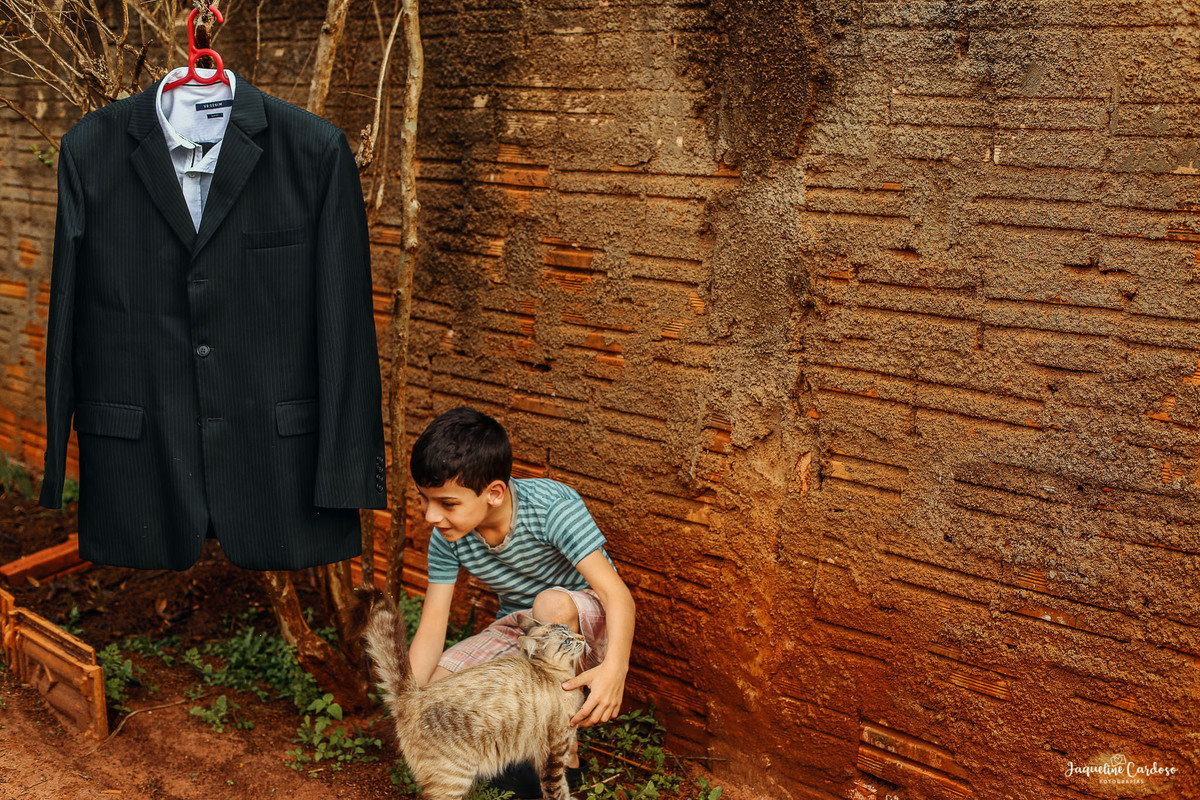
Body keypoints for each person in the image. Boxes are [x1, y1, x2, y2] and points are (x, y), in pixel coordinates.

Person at [406, 406, 636, 794]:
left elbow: (617, 596)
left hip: (586, 628)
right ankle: (513, 752)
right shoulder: (447, 537)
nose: (431, 516)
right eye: (425, 500)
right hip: (523, 629)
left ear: (494, 493)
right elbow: (432, 623)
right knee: (435, 695)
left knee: (550, 606)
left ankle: (564, 756)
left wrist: (616, 669)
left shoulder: (550, 508)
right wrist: (411, 702)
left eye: (446, 503)